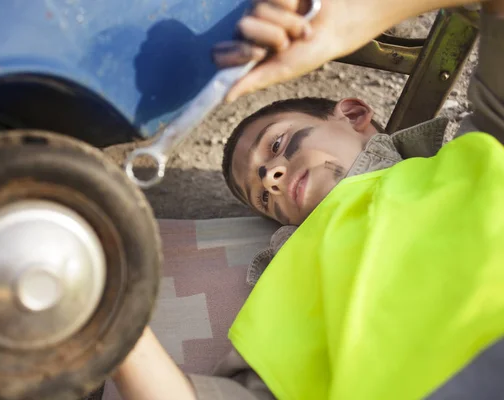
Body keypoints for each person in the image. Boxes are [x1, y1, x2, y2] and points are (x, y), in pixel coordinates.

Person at [113, 0, 504, 398]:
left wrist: (354, 18)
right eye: (263, 197)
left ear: (353, 114)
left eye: (278, 144)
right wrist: (114, 317)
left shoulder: (482, 148)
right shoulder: (282, 288)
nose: (272, 177)